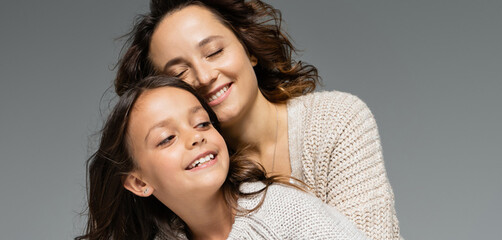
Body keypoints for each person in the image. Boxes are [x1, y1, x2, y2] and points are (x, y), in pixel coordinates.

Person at [113, 1, 400, 239]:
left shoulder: (336, 120)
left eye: (214, 52)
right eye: (180, 74)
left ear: (248, 49)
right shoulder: (193, 174)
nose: (204, 76)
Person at [76, 75, 369, 240]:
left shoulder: (281, 210)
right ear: (139, 183)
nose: (195, 137)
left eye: (202, 123)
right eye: (167, 138)